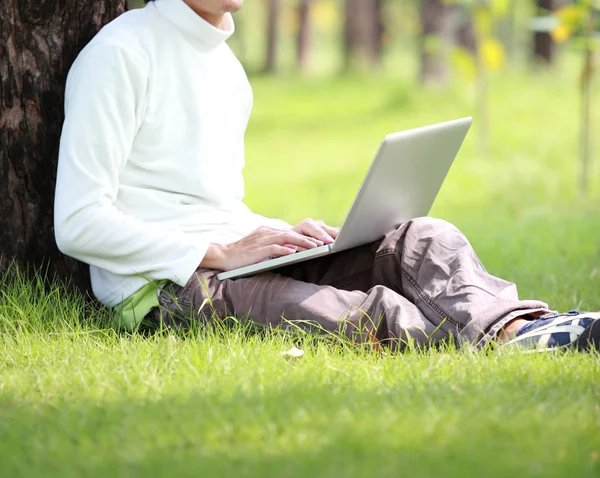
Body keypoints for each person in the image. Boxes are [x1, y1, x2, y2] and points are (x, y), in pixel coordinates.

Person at [54, 0, 599, 351]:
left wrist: (286, 238)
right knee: (374, 313)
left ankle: (519, 329)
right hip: (167, 288)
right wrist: (220, 252)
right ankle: (518, 343)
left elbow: (211, 202)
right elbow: (77, 223)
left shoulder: (226, 69)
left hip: (231, 260)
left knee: (424, 238)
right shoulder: (120, 54)